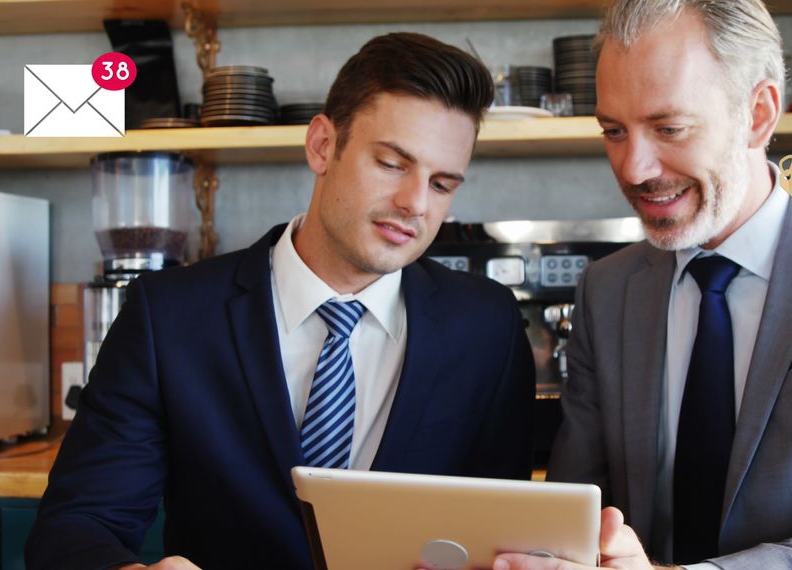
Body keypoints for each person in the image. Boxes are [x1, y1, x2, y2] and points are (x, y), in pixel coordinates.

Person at [27, 32, 535, 570]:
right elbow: (75, 526)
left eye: (442, 185)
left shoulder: (488, 327)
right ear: (322, 145)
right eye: (391, 163)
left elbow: (505, 533)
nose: (415, 203)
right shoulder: (168, 318)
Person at [495, 1, 792, 569]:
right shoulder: (607, 288)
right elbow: (576, 509)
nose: (632, 168)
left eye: (669, 128)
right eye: (614, 131)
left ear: (759, 114)